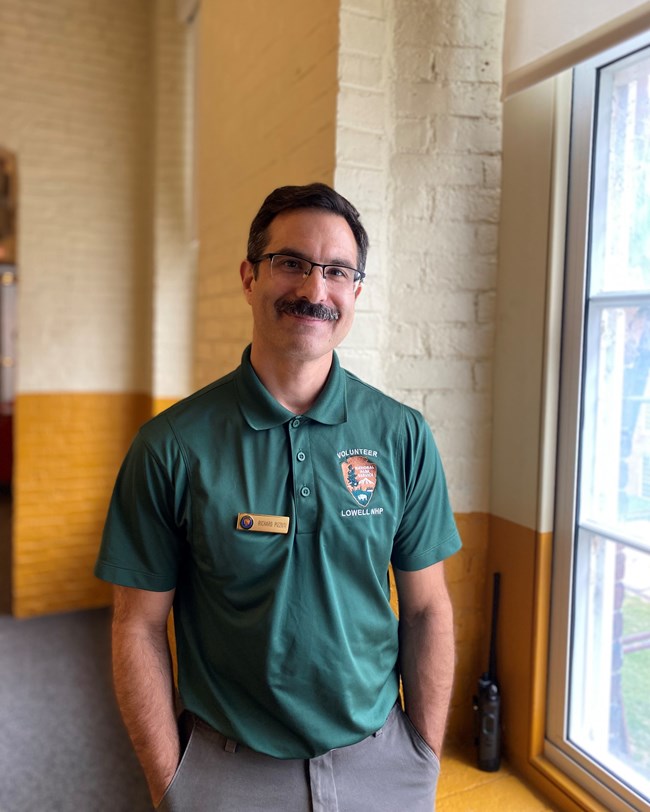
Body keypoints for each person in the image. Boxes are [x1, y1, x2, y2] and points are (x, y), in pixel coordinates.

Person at [95, 183, 461, 811]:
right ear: (249, 277)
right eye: (291, 262)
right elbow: (138, 625)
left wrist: (422, 758)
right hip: (228, 771)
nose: (315, 289)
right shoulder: (171, 446)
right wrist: (170, 780)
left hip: (382, 765)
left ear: (356, 292)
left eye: (338, 271)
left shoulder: (401, 435)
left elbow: (427, 609)